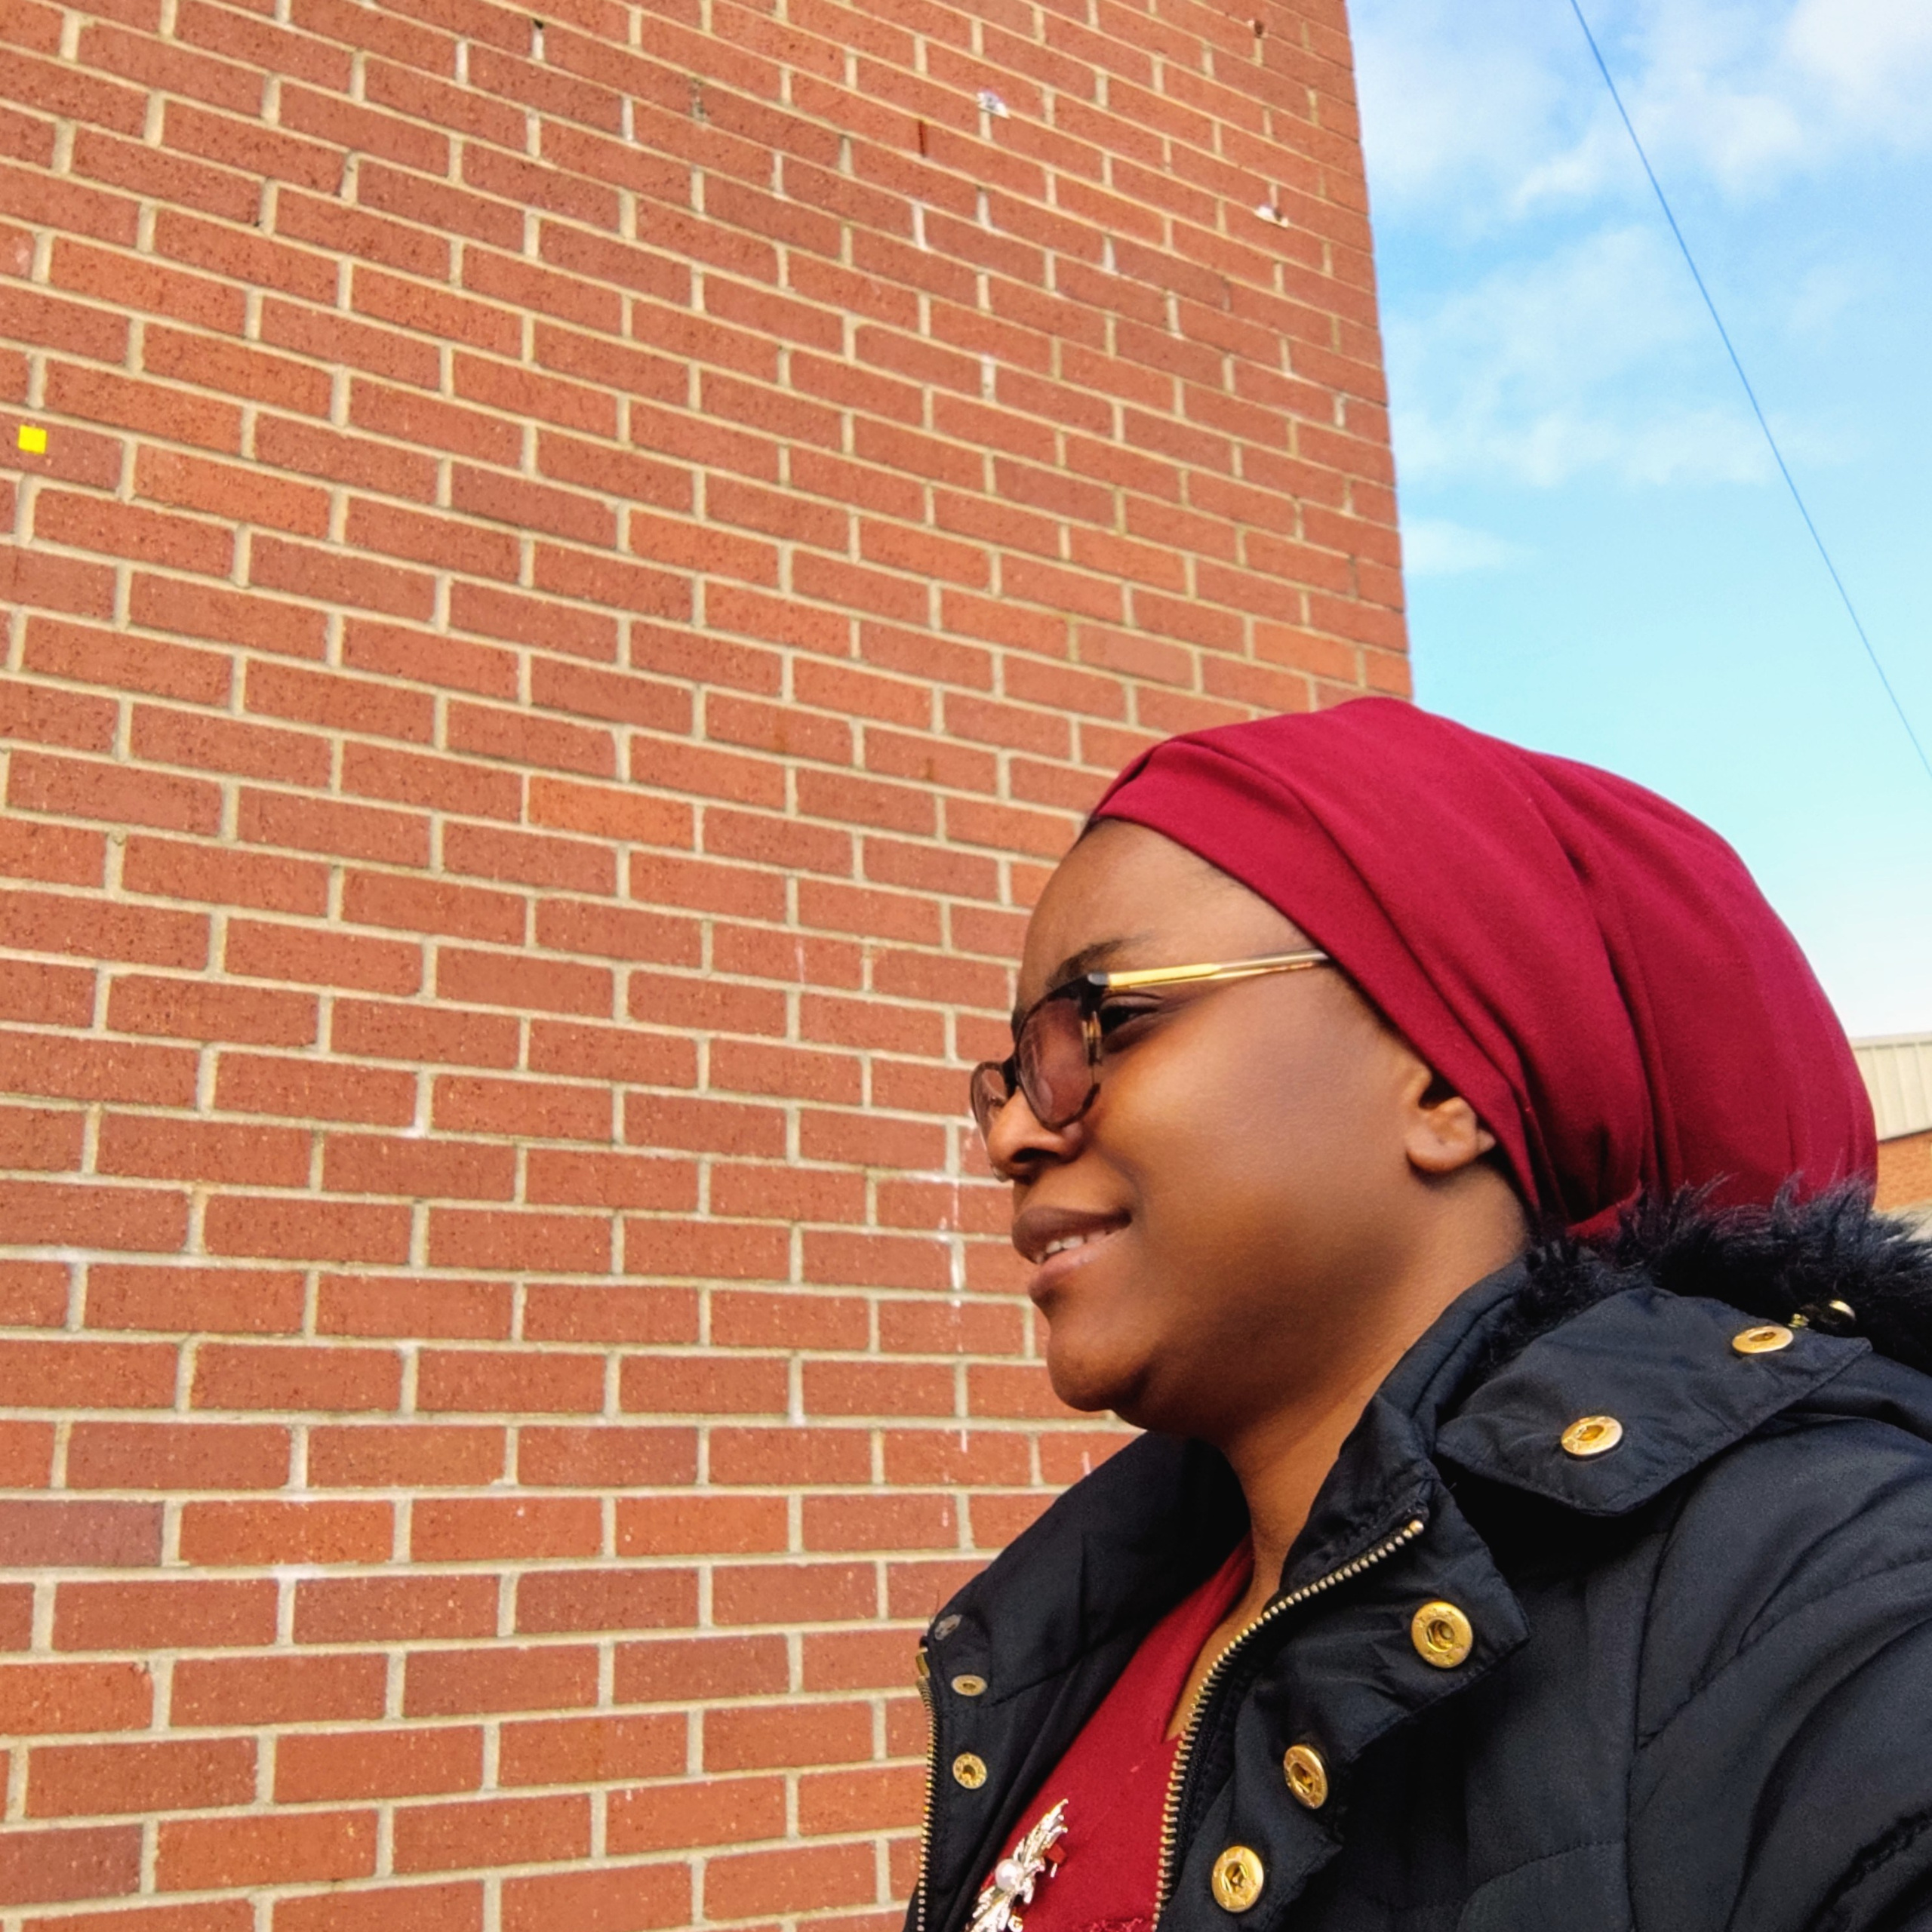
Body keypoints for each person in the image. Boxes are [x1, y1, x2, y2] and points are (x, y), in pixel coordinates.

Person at [907, 699, 1932, 1932]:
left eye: (1091, 1025)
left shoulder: (1823, 1588)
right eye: (1009, 1079)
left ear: (1444, 1076)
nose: (1015, 1132)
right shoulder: (1078, 1640)